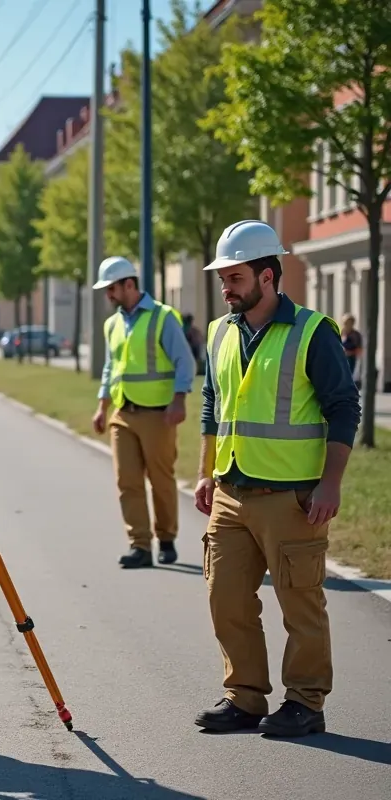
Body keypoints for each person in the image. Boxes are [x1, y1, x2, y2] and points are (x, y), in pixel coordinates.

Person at [192, 219, 359, 737]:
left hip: (292, 498)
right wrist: (205, 473)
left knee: (299, 604)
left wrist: (330, 484)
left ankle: (306, 703)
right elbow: (212, 405)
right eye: (223, 277)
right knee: (226, 598)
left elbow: (344, 408)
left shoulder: (313, 331)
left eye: (235, 277)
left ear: (267, 276)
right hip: (230, 490)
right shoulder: (221, 332)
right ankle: (244, 697)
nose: (226, 287)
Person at [90, 256, 196, 568]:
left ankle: (166, 538)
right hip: (123, 413)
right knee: (127, 481)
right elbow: (112, 367)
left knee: (161, 479)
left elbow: (184, 362)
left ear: (130, 284)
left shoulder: (163, 317)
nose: (108, 295)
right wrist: (102, 405)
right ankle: (139, 545)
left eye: (112, 288)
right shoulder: (112, 324)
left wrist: (178, 401)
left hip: (157, 414)